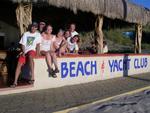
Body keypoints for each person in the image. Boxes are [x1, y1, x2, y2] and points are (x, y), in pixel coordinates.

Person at [10, 22, 41, 87]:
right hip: (25, 51)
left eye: (35, 27)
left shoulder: (38, 34)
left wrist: (38, 54)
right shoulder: (26, 34)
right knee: (19, 64)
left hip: (32, 51)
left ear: (36, 28)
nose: (33, 28)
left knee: (30, 56)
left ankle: (32, 77)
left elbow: (38, 45)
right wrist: (23, 52)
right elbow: (23, 44)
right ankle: (15, 82)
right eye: (32, 26)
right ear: (30, 27)